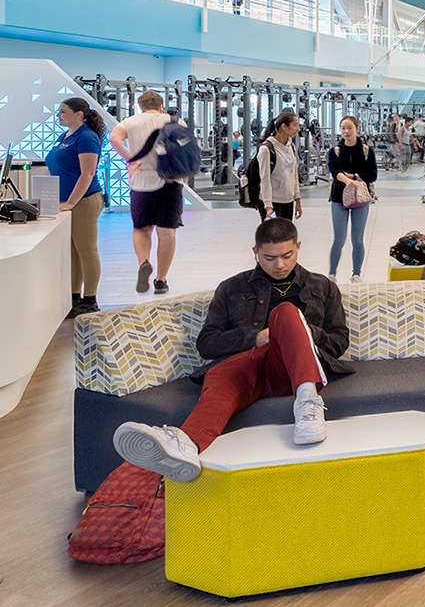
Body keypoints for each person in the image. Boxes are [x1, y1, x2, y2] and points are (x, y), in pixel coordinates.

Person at [112, 217, 348, 481]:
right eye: (269, 257)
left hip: (290, 369)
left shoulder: (322, 287)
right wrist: (255, 337)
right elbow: (207, 343)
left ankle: (307, 404)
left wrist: (297, 332)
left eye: (286, 255)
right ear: (255, 252)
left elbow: (339, 342)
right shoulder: (232, 287)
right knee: (220, 385)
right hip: (244, 367)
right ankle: (185, 443)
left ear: (298, 247)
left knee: (286, 313)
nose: (279, 265)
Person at [109, 91, 181, 296]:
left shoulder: (130, 122)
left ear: (140, 106)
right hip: (171, 181)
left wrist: (131, 158)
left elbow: (114, 139)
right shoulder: (174, 120)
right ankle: (161, 280)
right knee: (167, 232)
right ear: (161, 106)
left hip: (141, 182)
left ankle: (144, 262)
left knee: (142, 228)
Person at [48, 97, 106, 315]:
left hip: (84, 201)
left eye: (63, 112)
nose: (59, 116)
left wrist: (72, 201)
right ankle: (74, 296)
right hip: (68, 202)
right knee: (74, 251)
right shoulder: (66, 136)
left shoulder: (87, 138)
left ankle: (90, 299)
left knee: (87, 249)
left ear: (78, 114)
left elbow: (88, 173)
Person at [326, 114, 376, 281]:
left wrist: (354, 177)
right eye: (343, 128)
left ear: (357, 129)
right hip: (339, 199)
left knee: (358, 239)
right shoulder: (334, 152)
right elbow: (335, 171)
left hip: (361, 199)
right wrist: (346, 180)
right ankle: (332, 274)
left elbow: (372, 174)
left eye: (350, 128)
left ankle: (356, 274)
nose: (346, 131)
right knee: (338, 239)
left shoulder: (367, 151)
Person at [256, 110, 303, 221]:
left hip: (288, 201)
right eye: (295, 125)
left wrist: (297, 199)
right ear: (284, 127)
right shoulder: (266, 149)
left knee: (286, 237)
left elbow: (294, 175)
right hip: (272, 203)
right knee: (272, 237)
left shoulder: (291, 146)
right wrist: (268, 206)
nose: (298, 129)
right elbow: (265, 179)